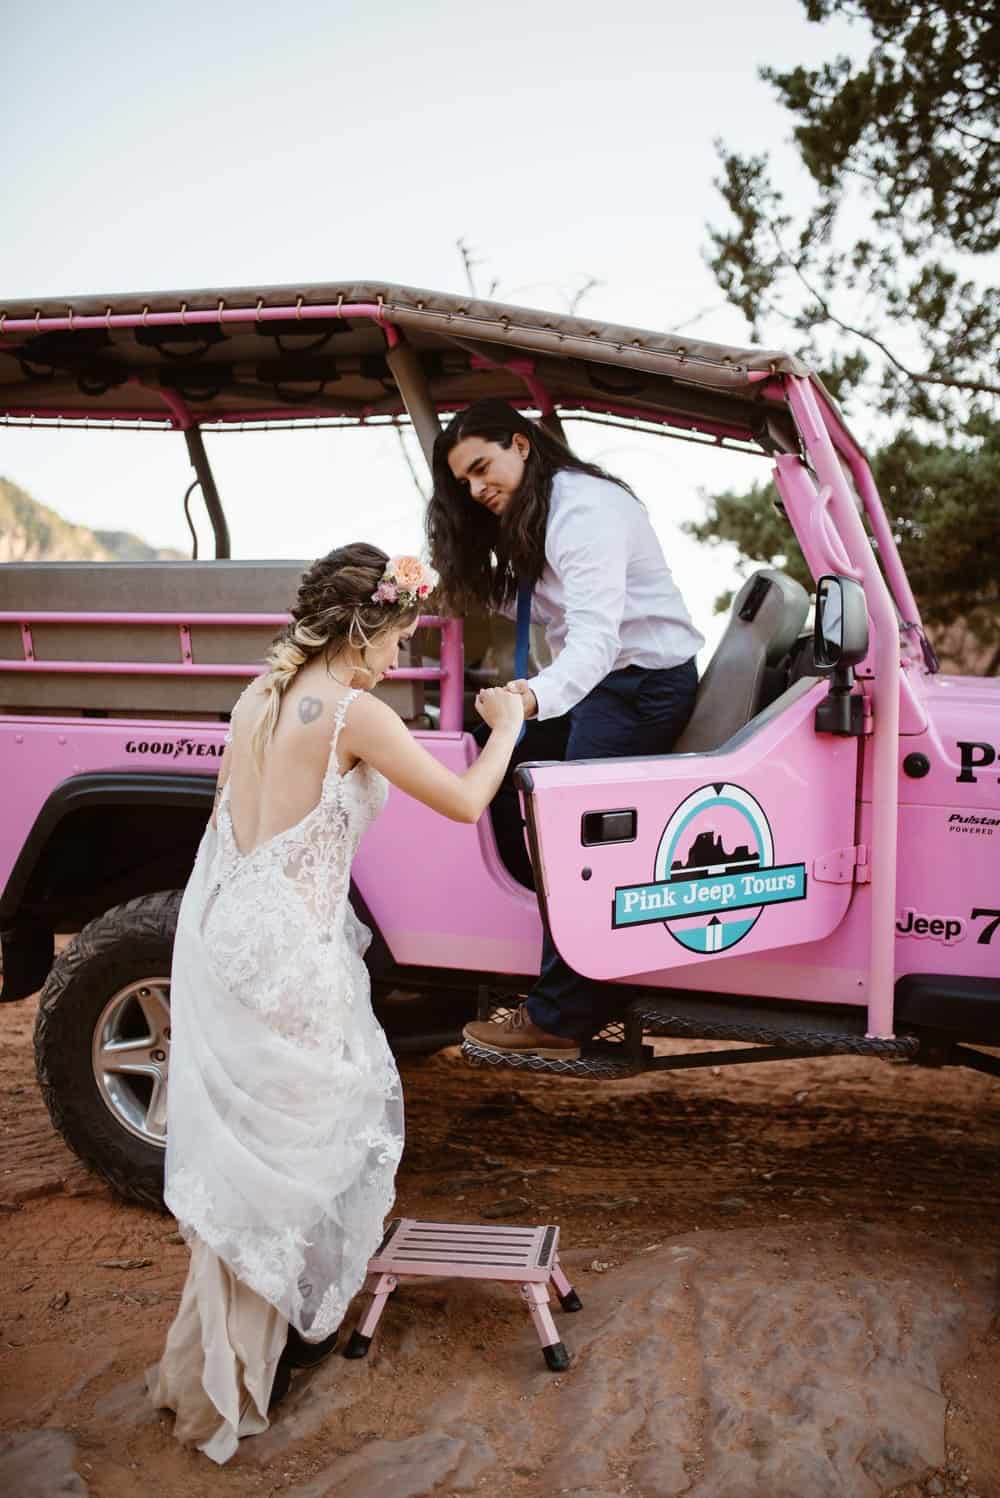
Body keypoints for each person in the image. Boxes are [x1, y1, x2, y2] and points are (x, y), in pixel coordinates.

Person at [148, 543, 523, 1463]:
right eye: (397, 638)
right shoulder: (354, 711)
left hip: (234, 932)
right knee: (295, 1152)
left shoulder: (258, 698)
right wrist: (507, 722)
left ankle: (222, 1360)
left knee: (254, 1151)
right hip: (292, 954)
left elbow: (222, 832)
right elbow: (469, 801)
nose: (399, 657)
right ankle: (236, 1376)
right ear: (363, 632)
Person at [427, 400, 703, 1060]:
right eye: (463, 481)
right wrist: (441, 590)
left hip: (639, 686)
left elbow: (595, 640)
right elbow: (539, 600)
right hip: (606, 685)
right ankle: (564, 939)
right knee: (497, 777)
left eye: (482, 467)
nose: (475, 488)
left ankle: (560, 1016)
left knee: (567, 833)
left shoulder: (583, 512)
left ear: (521, 445)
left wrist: (530, 697)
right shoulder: (539, 508)